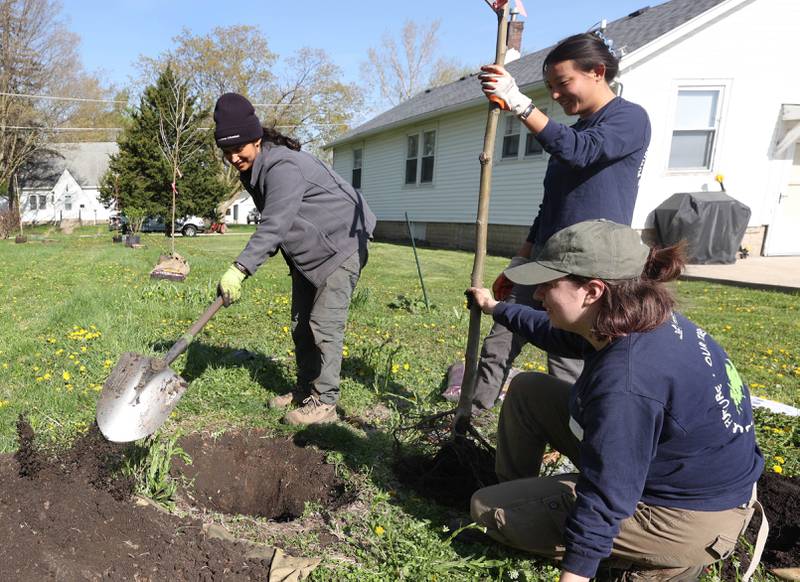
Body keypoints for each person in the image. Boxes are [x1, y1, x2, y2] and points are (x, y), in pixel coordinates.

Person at [467, 220, 766, 582]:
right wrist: (496, 308)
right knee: (529, 389)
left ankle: (668, 563)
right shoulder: (635, 318)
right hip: (683, 474)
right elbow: (557, 331)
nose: (539, 294)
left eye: (548, 284)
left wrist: (576, 573)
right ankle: (521, 494)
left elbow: (607, 495)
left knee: (486, 508)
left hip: (686, 514)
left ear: (592, 291)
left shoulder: (627, 380)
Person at [471, 32, 651, 410]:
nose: (555, 95)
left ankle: (570, 434)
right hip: (544, 258)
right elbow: (550, 204)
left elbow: (580, 153)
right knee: (501, 337)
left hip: (588, 266)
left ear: (597, 72)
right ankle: (472, 415)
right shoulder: (574, 131)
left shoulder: (628, 119)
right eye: (550, 87)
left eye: (562, 83)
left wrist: (520, 105)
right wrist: (521, 260)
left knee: (569, 355)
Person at [214, 92, 376, 426]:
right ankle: (305, 391)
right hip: (310, 251)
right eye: (226, 151)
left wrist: (240, 268)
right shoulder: (253, 167)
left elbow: (275, 223)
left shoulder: (283, 166)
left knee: (324, 326)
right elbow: (282, 226)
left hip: (342, 243)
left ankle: (325, 403)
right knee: (301, 326)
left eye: (238, 149)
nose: (233, 157)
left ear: (256, 139)